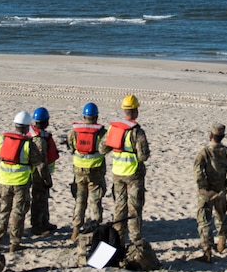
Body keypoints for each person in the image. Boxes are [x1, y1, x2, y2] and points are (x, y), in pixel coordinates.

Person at [0, 111, 44, 253]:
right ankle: (14, 243)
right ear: (27, 128)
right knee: (18, 213)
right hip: (21, 182)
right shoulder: (28, 144)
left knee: (3, 211)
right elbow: (38, 161)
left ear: (15, 124)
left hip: (4, 181)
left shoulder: (2, 139)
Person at [194, 123, 227, 263]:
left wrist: (203, 186)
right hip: (221, 190)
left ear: (211, 135)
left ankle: (207, 250)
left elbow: (198, 172)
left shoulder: (204, 152)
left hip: (206, 192)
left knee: (204, 221)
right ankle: (222, 242)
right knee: (221, 217)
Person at [107, 94, 150, 244]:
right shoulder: (137, 132)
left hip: (117, 173)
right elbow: (143, 156)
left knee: (119, 206)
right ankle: (135, 240)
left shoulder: (114, 128)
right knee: (134, 209)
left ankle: (117, 239)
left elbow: (102, 148)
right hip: (133, 174)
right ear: (136, 111)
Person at [66, 102, 107, 242]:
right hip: (95, 171)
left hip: (78, 170)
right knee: (95, 201)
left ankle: (76, 230)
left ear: (84, 116)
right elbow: (104, 149)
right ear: (96, 117)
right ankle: (95, 230)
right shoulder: (101, 132)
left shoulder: (74, 132)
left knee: (79, 200)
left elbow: (71, 147)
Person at [28, 106, 61, 236]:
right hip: (38, 174)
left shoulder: (31, 133)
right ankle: (37, 225)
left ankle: (44, 222)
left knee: (43, 198)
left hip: (35, 172)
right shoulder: (39, 139)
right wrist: (46, 178)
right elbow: (41, 162)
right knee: (38, 199)